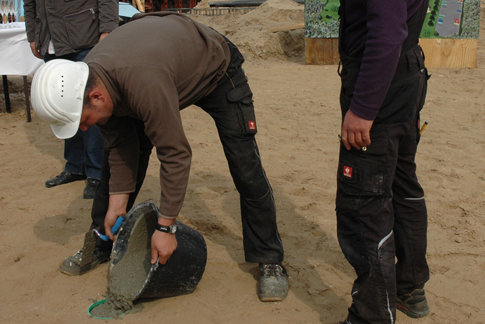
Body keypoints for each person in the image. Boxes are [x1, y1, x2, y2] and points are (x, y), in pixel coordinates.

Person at [30, 12, 288, 302]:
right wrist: (117, 202)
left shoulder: (142, 81)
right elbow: (120, 148)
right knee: (112, 165)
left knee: (245, 167)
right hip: (162, 69)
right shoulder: (92, 81)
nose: (86, 128)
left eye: (84, 120)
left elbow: (175, 153)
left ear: (96, 97)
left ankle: (269, 258)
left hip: (215, 69)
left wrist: (166, 227)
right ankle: (102, 242)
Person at [335, 0, 431, 323]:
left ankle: (371, 316)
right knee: (401, 182)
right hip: (404, 73)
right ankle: (409, 287)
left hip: (380, 84)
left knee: (364, 202)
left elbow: (388, 31)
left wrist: (363, 109)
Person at [24, 0, 119, 198]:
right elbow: (29, 2)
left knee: (87, 106)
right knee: (63, 106)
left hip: (84, 35)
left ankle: (96, 171)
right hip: (50, 39)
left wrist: (108, 29)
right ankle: (75, 166)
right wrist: (32, 34)